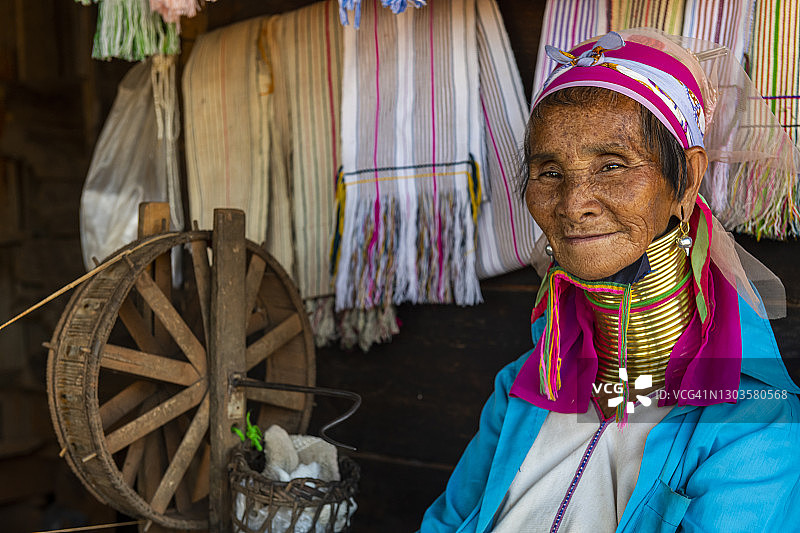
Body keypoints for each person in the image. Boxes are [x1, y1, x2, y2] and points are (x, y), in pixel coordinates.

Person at [419, 28, 800, 533]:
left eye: (612, 165)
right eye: (550, 172)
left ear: (685, 179)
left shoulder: (755, 422)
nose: (575, 203)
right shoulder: (523, 385)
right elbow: (446, 522)